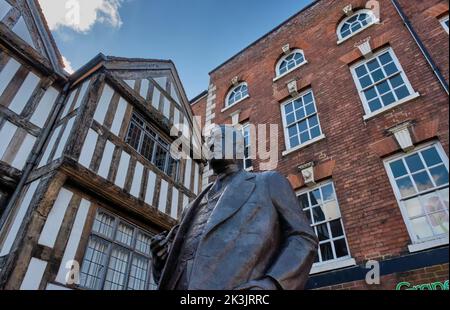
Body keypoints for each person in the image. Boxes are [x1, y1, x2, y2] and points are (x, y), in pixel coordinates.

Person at [151, 125, 318, 290]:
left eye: (217, 139)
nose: (210, 145)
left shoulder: (268, 182)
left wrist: (271, 284)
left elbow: (303, 237)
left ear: (238, 147)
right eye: (208, 142)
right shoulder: (191, 208)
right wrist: (161, 260)